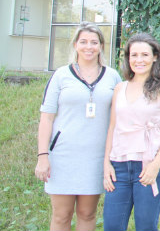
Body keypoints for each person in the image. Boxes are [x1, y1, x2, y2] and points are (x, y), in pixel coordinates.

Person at [35, 22, 122, 231]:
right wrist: (42, 156)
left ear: (101, 45)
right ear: (75, 45)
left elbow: (120, 117)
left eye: (94, 42)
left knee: (87, 214)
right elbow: (46, 118)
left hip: (96, 158)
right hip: (63, 156)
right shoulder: (61, 75)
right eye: (83, 42)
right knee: (61, 216)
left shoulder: (112, 76)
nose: (88, 47)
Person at [103, 33, 160, 231]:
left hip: (148, 166)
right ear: (128, 58)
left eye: (144, 55)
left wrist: (156, 164)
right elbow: (112, 127)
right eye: (134, 55)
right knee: (112, 226)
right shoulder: (120, 88)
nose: (139, 60)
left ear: (155, 57)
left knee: (145, 226)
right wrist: (106, 164)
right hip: (118, 168)